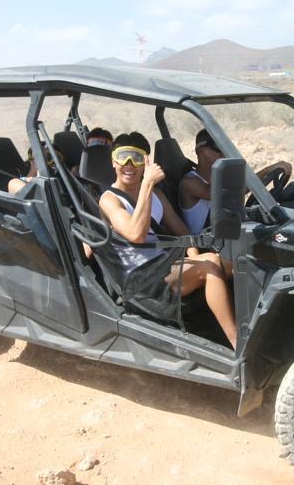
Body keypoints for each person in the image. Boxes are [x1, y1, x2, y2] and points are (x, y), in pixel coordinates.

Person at [98, 132, 238, 349]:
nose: (128, 164)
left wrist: (199, 260)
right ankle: (237, 343)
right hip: (140, 281)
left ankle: (239, 327)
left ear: (145, 162)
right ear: (113, 161)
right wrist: (146, 185)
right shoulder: (110, 200)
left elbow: (184, 235)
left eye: (136, 158)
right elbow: (136, 234)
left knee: (232, 264)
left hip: (163, 268)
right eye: (122, 157)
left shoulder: (157, 196)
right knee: (210, 265)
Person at [179, 129, 293, 235]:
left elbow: (243, 188)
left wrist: (270, 173)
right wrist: (267, 170)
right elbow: (222, 193)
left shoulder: (220, 177)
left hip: (226, 233)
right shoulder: (189, 182)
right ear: (201, 149)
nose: (222, 152)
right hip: (208, 242)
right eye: (217, 146)